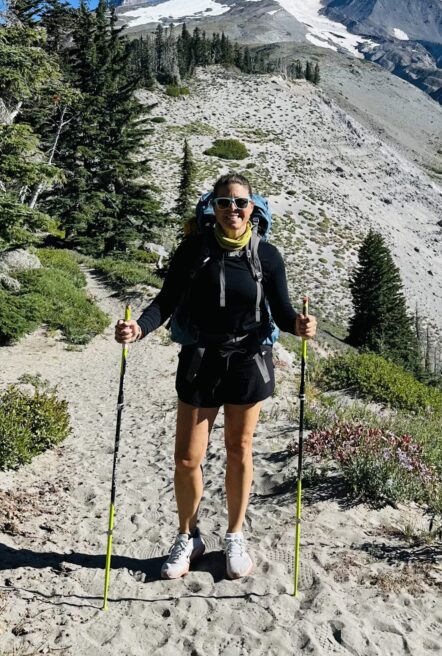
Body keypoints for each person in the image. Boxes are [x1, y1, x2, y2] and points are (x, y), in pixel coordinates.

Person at [114, 173, 317, 581]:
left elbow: (280, 311)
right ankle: (188, 536)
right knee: (188, 457)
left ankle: (235, 534)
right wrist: (139, 328)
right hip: (200, 360)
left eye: (240, 203)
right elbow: (165, 301)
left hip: (248, 361)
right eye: (224, 203)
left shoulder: (267, 255)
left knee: (239, 449)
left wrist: (299, 325)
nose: (233, 210)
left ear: (253, 208)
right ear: (213, 207)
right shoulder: (193, 250)